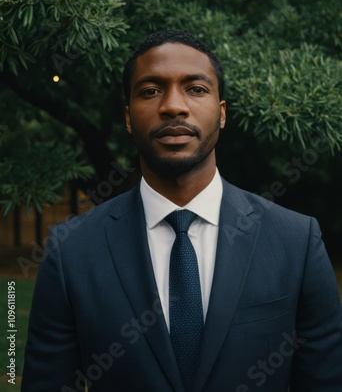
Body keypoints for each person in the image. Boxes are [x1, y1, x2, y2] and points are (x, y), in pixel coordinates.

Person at [22, 30, 342, 391]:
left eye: (196, 88)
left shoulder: (296, 242)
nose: (173, 105)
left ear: (221, 114)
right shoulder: (71, 251)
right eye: (150, 91)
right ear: (128, 118)